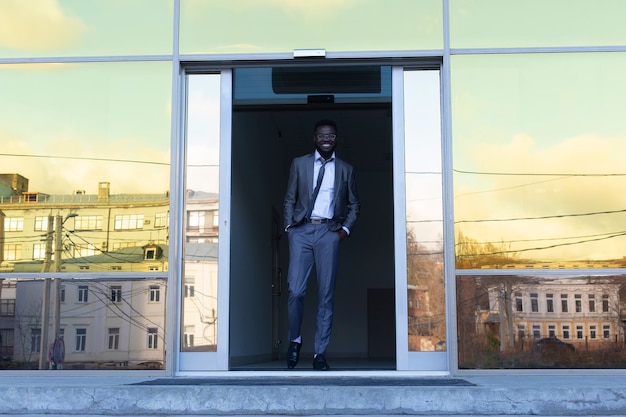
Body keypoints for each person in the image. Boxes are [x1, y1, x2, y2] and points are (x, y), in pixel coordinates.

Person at [283, 119, 360, 370]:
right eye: (322, 135)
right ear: (315, 138)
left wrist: (344, 231)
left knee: (326, 295)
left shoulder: (346, 169)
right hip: (302, 231)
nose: (326, 139)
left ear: (336, 138)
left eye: (331, 135)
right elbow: (289, 198)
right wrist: (289, 228)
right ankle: (295, 339)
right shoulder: (299, 163)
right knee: (295, 290)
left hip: (329, 232)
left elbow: (354, 204)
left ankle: (319, 354)